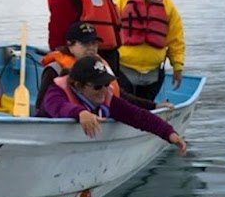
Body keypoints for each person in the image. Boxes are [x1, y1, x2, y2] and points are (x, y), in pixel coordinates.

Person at [40, 57, 188, 153]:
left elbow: (138, 116)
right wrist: (80, 113)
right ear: (78, 86)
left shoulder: (107, 98)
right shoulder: (55, 92)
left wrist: (170, 134)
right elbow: (58, 107)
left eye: (106, 84)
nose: (104, 90)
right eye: (97, 86)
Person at [113, 0, 185, 103]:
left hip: (153, 73)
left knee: (145, 111)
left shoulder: (167, 3)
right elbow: (107, 29)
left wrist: (177, 66)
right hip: (123, 69)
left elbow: (175, 38)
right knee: (128, 108)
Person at [34, 20, 104, 113]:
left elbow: (115, 96)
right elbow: (42, 105)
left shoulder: (99, 66)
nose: (91, 48)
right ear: (70, 45)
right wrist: (78, 113)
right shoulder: (54, 70)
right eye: (85, 44)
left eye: (94, 43)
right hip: (65, 118)